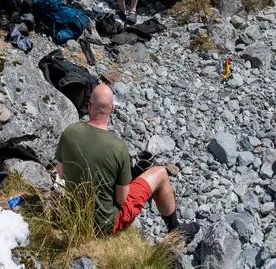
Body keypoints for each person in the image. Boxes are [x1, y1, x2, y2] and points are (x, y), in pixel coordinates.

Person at [55, 83, 184, 236]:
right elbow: (122, 200)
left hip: (75, 214)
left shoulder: (70, 131)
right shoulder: (118, 147)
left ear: (89, 106)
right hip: (105, 225)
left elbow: (61, 173)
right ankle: (175, 230)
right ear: (112, 109)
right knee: (160, 172)